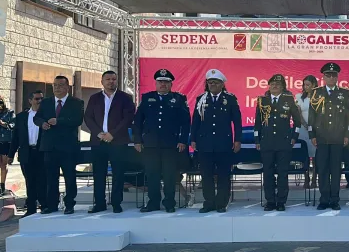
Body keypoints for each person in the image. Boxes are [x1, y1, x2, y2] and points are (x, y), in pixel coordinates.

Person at [133, 69, 190, 213]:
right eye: (160, 82)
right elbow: (138, 122)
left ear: (171, 84)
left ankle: (169, 203)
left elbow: (186, 123)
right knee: (152, 175)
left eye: (166, 82)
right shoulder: (147, 98)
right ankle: (153, 203)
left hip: (170, 144)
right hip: (150, 144)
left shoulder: (179, 99)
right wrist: (137, 140)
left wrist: (183, 140)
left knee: (170, 175)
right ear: (156, 83)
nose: (163, 84)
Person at [84, 70, 136, 214]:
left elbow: (128, 118)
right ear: (102, 81)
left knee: (118, 174)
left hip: (118, 141)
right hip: (98, 141)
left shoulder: (125, 98)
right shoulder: (94, 98)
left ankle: (116, 203)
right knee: (98, 174)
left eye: (114, 79)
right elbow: (88, 118)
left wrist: (112, 134)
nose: (111, 81)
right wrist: (98, 133)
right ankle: (99, 203)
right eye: (108, 79)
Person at [191, 68, 242, 213]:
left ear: (222, 84)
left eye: (216, 82)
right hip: (205, 144)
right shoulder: (201, 99)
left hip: (223, 144)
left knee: (223, 175)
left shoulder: (230, 99)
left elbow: (237, 121)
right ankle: (209, 202)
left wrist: (238, 139)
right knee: (206, 175)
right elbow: (195, 121)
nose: (212, 84)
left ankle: (221, 203)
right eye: (210, 82)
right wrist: (193, 138)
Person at [34, 76, 84, 215]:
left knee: (69, 176)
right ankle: (51, 204)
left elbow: (77, 120)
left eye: (61, 85)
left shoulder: (76, 102)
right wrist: (42, 123)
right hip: (49, 147)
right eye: (55, 85)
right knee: (50, 177)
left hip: (67, 147)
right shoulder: (46, 102)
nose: (57, 88)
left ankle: (69, 204)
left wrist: (59, 121)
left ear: (67, 87)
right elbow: (36, 117)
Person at [309, 62, 349, 211]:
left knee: (335, 170)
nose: (332, 78)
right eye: (328, 75)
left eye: (334, 75)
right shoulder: (316, 93)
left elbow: (348, 117)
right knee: (322, 169)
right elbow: (311, 116)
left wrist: (347, 134)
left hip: (338, 137)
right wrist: (311, 134)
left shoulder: (345, 93)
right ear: (324, 77)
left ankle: (335, 199)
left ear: (337, 77)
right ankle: (324, 198)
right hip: (321, 137)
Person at [255, 74, 301, 211]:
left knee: (282, 173)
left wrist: (294, 137)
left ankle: (281, 201)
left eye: (278, 84)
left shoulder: (289, 100)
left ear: (282, 87)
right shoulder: (262, 101)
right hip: (267, 142)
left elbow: (297, 122)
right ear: (268, 86)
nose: (275, 86)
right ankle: (270, 201)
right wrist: (257, 139)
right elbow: (257, 123)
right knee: (268, 173)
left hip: (284, 142)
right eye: (272, 84)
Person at [8, 90, 44, 217]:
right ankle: (31, 208)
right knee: (30, 181)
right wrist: (10, 155)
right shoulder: (22, 117)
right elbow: (16, 137)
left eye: (41, 99)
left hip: (42, 153)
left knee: (42, 181)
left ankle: (44, 206)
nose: (39, 101)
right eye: (37, 99)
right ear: (30, 101)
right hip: (26, 153)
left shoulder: (45, 116)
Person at [296, 75, 318, 188]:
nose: (306, 87)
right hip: (303, 129)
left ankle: (314, 178)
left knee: (315, 156)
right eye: (304, 85)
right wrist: (306, 125)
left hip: (316, 130)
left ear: (314, 85)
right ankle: (306, 178)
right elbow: (298, 113)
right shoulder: (299, 97)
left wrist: (313, 127)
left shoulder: (319, 97)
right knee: (304, 155)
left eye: (308, 85)